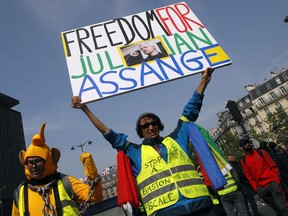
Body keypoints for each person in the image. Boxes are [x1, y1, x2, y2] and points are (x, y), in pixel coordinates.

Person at [71, 68, 217, 216]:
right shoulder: (136, 152)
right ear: (140, 131)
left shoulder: (177, 139)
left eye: (154, 123)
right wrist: (85, 109)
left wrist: (204, 81)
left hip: (201, 204)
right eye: (145, 125)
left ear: (159, 126)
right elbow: (108, 133)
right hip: (165, 212)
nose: (150, 126)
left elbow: (190, 111)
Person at [11, 123, 103, 216]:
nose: (33, 166)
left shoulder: (66, 183)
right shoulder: (20, 193)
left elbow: (96, 197)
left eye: (38, 161)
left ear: (48, 161)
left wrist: (90, 168)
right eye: (30, 162)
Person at [239, 139, 288, 216]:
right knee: (277, 209)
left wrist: (276, 180)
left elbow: (273, 165)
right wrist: (256, 188)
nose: (247, 144)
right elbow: (249, 176)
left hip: (272, 183)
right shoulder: (243, 161)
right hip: (261, 188)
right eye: (245, 144)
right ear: (241, 148)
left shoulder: (261, 152)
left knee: (283, 207)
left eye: (248, 142)